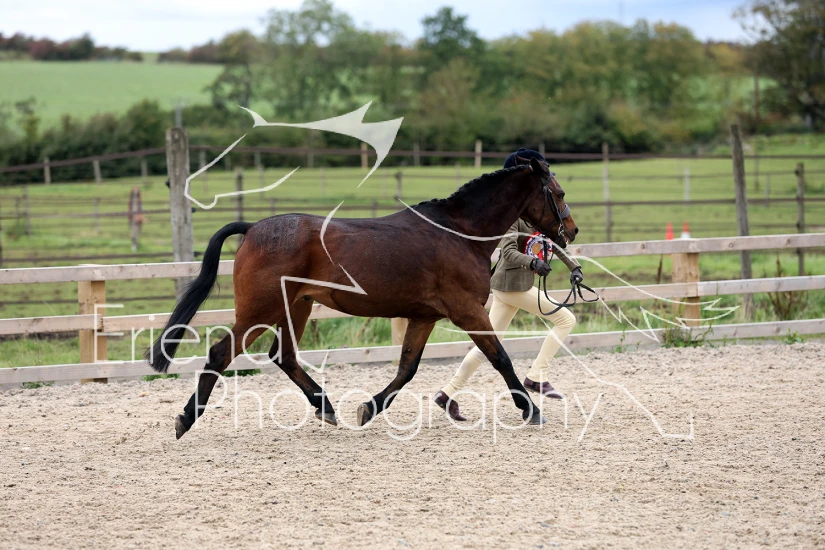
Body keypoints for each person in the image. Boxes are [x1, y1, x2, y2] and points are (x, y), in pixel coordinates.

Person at [434, 148, 583, 421]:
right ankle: (537, 376)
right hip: (513, 285)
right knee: (566, 319)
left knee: (488, 344)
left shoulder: (539, 213)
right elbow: (509, 251)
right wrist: (533, 262)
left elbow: (552, 242)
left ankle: (446, 394)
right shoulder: (514, 216)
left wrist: (575, 267)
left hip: (511, 287)